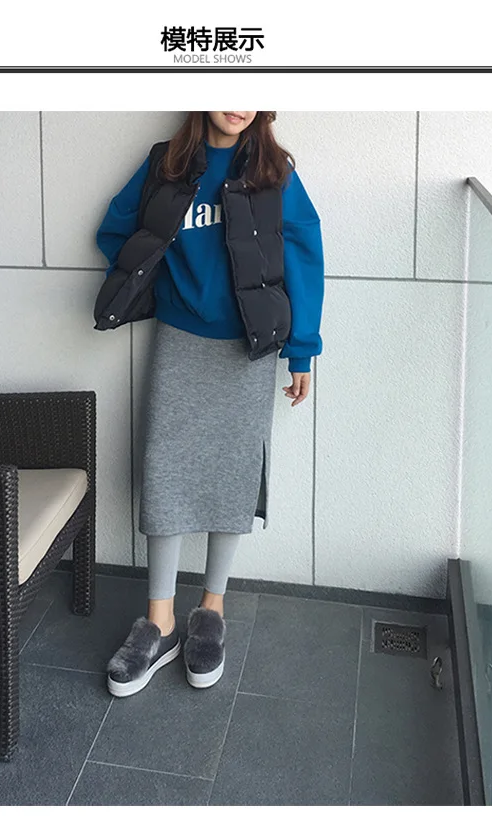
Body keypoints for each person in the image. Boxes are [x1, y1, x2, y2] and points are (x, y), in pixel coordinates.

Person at [93, 111, 324, 697]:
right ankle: (159, 621)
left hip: (248, 348)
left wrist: (302, 351)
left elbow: (303, 255)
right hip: (179, 340)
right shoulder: (167, 163)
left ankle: (211, 610)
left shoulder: (274, 172)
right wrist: (155, 279)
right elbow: (116, 230)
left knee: (231, 473)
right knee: (166, 471)